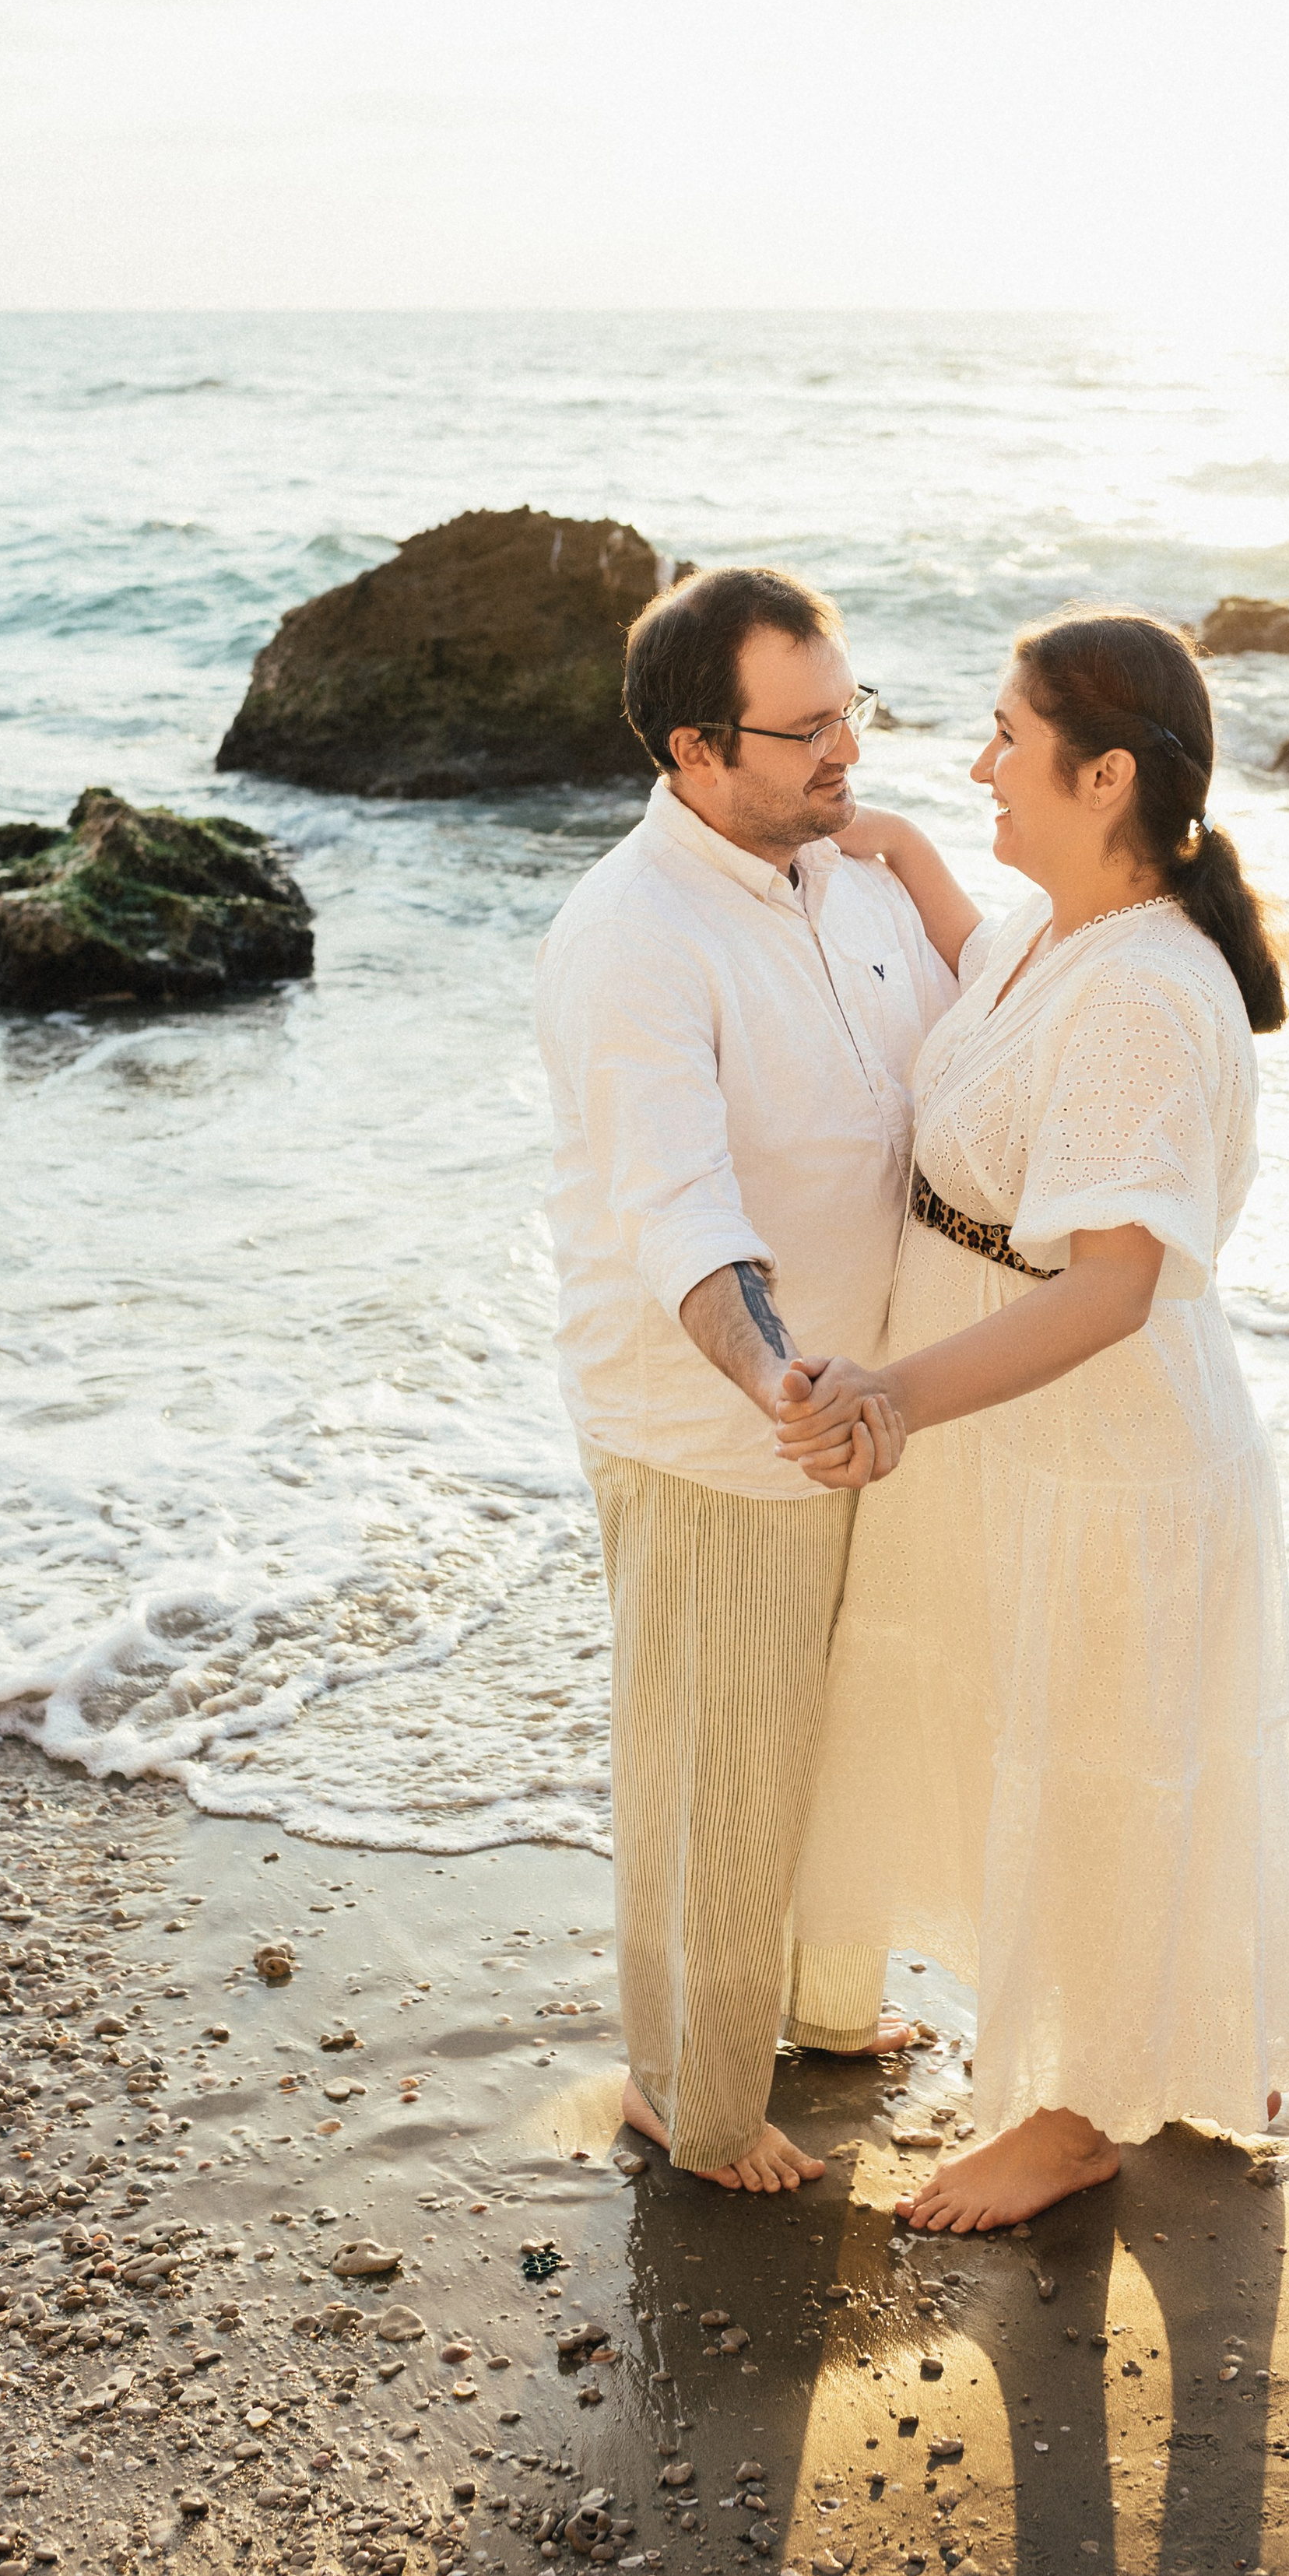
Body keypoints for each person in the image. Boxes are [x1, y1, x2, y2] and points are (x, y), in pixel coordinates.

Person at [777, 606, 1289, 2233]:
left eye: (1003, 738)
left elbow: (1111, 1289)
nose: (974, 758)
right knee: (1017, 1736)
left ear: (1102, 775)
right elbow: (975, 987)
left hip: (1103, 1445)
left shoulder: (1149, 990)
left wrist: (891, 1398)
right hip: (1017, 1431)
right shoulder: (1045, 925)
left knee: (1090, 1761)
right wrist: (908, 853)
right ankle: (1121, 2048)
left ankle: (1073, 2118)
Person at [534, 564, 968, 2194]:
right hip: (718, 1421)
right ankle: (692, 2098)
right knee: (721, 1761)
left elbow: (970, 1047)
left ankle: (833, 2011)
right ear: (695, 750)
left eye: (851, 709)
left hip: (879, 1400)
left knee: (846, 1725)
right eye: (807, 730)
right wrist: (785, 1382)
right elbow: (679, 1217)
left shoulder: (843, 870)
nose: (844, 750)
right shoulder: (629, 938)